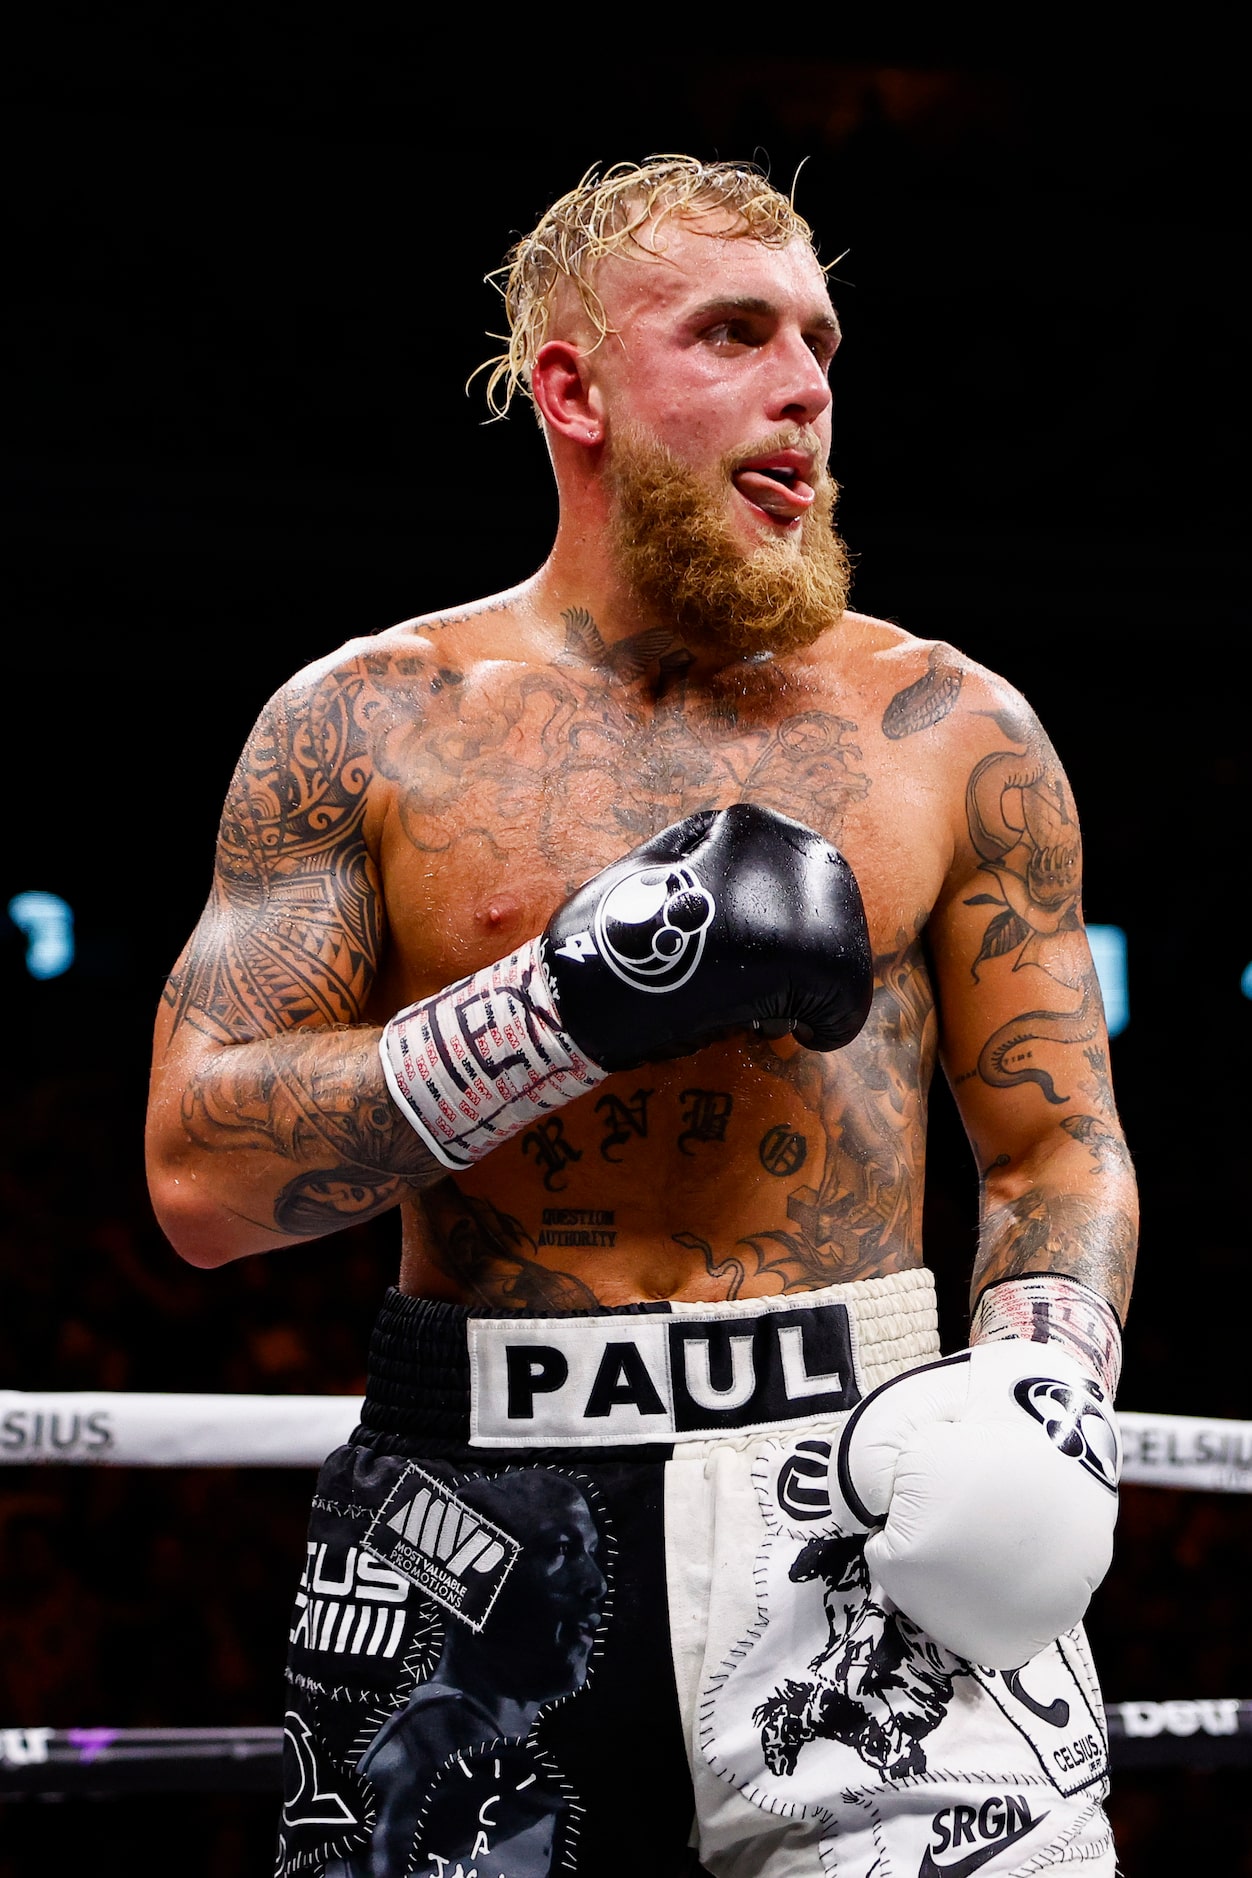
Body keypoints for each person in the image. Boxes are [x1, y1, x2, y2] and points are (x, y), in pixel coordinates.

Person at [145, 157, 1138, 1877]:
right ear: (573, 386)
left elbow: (1061, 1145)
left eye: (822, 339)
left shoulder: (950, 728)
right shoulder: (371, 722)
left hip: (863, 1493)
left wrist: (1048, 1381)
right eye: (736, 332)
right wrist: (562, 1006)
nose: (808, 384)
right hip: (473, 1514)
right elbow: (199, 1177)